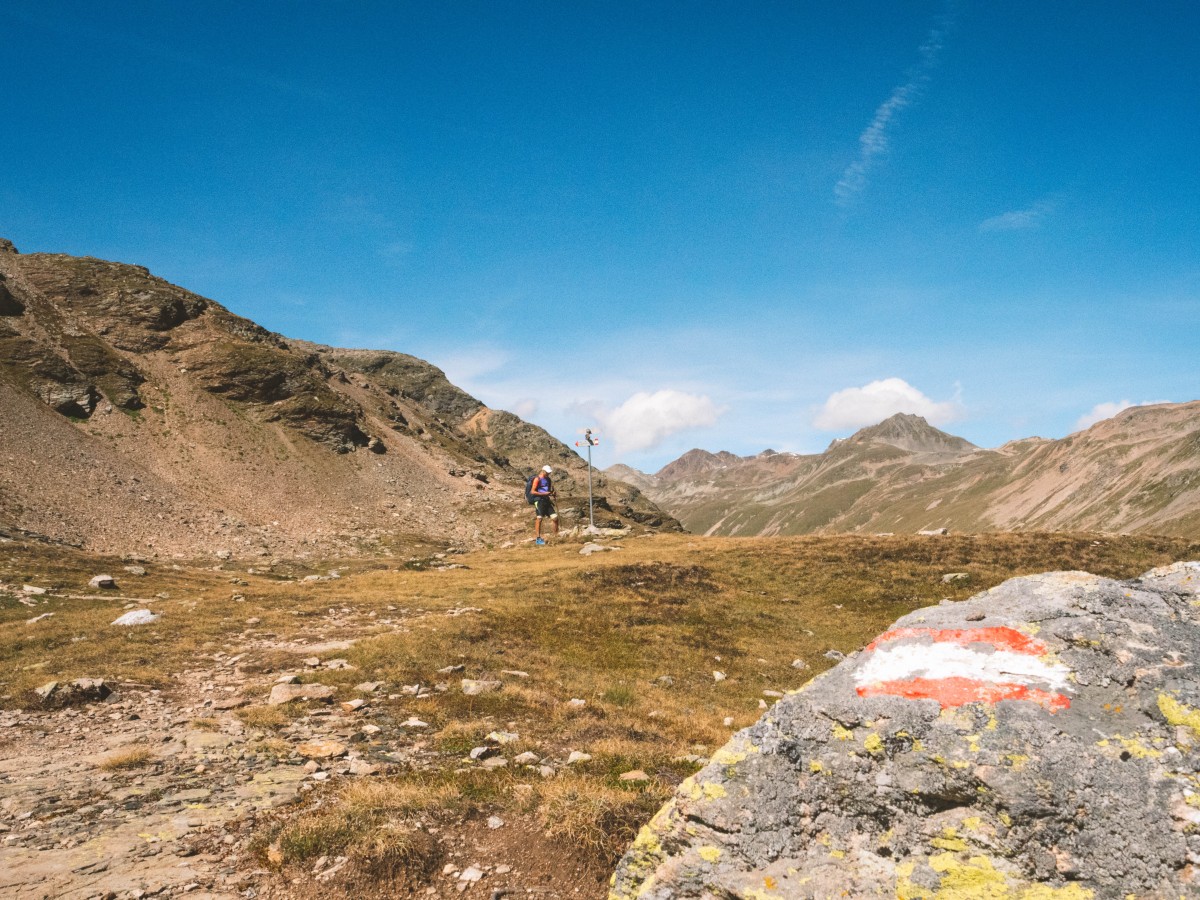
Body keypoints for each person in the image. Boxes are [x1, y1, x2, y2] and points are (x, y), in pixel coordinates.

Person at [531, 464, 558, 545]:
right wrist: (543, 494)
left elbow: (548, 490)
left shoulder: (548, 479)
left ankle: (555, 537)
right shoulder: (537, 479)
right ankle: (538, 539)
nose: (548, 474)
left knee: (555, 518)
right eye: (547, 472)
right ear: (543, 471)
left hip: (546, 500)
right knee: (539, 518)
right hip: (539, 500)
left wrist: (552, 493)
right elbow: (532, 491)